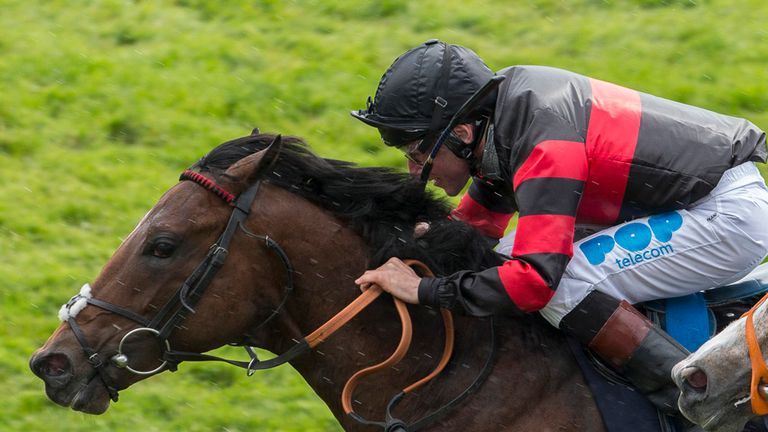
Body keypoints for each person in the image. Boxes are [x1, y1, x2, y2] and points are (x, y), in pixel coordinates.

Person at [351, 39, 768, 413]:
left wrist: (424, 290)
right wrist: (424, 243)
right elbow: (479, 224)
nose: (414, 171)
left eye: (417, 154)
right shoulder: (501, 113)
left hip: (726, 216)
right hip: (692, 198)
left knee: (561, 283)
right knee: (506, 257)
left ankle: (702, 402)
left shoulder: (544, 139)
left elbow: (535, 281)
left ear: (461, 133)